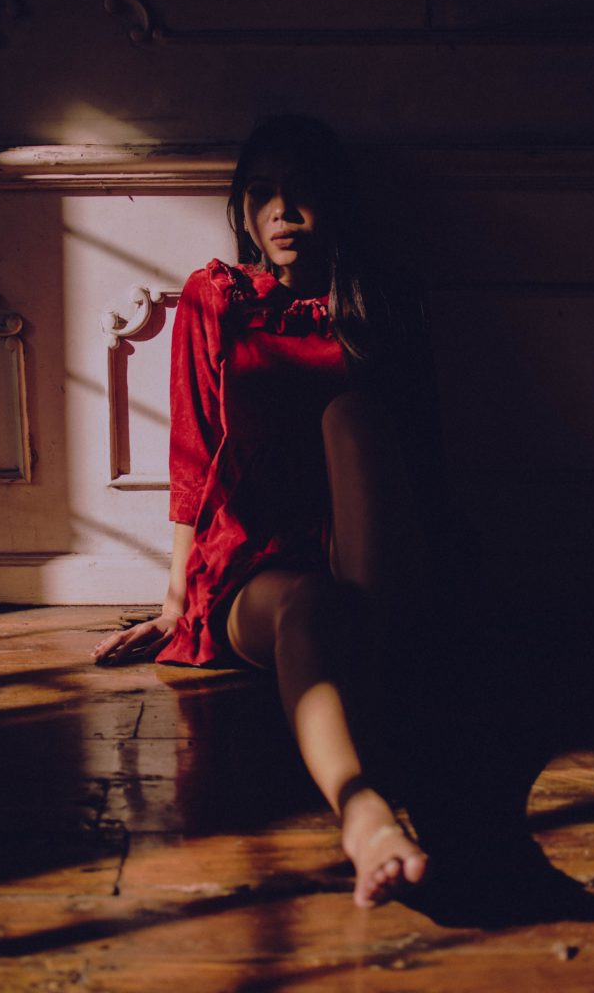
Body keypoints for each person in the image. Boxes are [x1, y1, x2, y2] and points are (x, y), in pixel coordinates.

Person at [93, 115, 442, 908]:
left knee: (350, 420)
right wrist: (177, 601)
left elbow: (420, 455)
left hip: (373, 550)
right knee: (313, 606)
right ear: (243, 212)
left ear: (336, 203)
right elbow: (191, 454)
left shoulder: (379, 298)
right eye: (263, 195)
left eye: (304, 193)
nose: (284, 211)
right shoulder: (216, 297)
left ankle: (376, 677)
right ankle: (363, 813)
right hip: (261, 563)